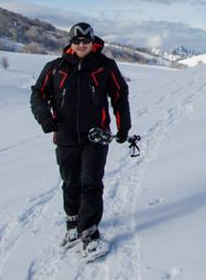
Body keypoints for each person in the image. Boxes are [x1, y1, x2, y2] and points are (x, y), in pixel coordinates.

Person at [30, 22, 130, 258]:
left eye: (86, 41)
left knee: (91, 182)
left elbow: (119, 96)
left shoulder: (105, 67)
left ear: (93, 42)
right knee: (70, 182)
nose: (82, 45)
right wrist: (46, 120)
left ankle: (90, 232)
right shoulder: (56, 68)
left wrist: (123, 126)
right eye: (77, 42)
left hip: (96, 135)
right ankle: (73, 224)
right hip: (65, 136)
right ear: (70, 44)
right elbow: (38, 94)